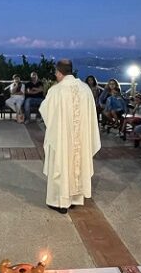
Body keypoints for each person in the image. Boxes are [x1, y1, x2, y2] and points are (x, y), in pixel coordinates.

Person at [39, 60, 101, 214]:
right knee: (77, 164)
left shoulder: (56, 90)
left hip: (62, 138)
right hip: (81, 138)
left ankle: (60, 202)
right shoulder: (85, 89)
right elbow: (92, 115)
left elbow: (45, 111)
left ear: (59, 72)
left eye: (55, 73)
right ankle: (74, 199)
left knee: (61, 164)